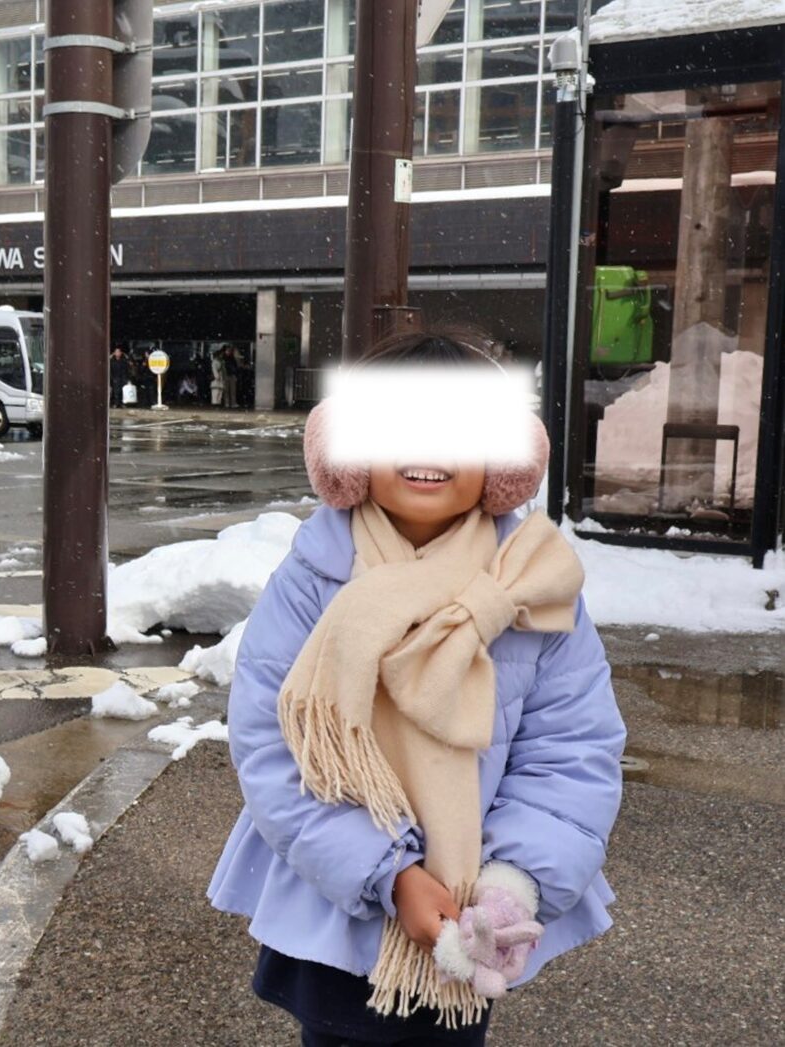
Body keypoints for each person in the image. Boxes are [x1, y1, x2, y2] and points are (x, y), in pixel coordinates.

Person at [209, 330, 625, 1047]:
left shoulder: (528, 582)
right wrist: (390, 873)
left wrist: (513, 884)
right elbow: (275, 745)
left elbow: (572, 749)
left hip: (471, 914)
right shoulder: (313, 579)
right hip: (337, 899)